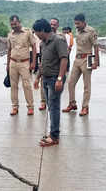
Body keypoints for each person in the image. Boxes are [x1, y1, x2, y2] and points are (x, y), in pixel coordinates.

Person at [33, 19, 68, 147]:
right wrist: (38, 77)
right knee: (50, 106)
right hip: (46, 79)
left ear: (42, 30)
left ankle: (54, 136)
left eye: (36, 32)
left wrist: (60, 79)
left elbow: (64, 59)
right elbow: (42, 63)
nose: (36, 34)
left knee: (54, 107)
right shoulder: (42, 44)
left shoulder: (58, 40)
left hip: (55, 79)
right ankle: (53, 133)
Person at [62, 13, 99, 116]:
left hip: (87, 59)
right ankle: (72, 104)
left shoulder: (91, 31)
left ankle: (85, 107)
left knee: (86, 85)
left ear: (83, 22)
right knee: (70, 83)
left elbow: (96, 46)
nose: (76, 26)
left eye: (78, 23)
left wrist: (96, 62)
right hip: (77, 59)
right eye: (75, 24)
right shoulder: (77, 31)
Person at [6, 15, 36, 116]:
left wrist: (33, 62)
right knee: (13, 86)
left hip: (25, 63)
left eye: (15, 24)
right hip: (13, 63)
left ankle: (30, 107)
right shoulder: (10, 34)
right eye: (11, 24)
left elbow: (34, 46)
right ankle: (15, 107)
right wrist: (8, 64)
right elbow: (9, 49)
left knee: (27, 85)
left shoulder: (27, 32)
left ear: (19, 22)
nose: (13, 26)